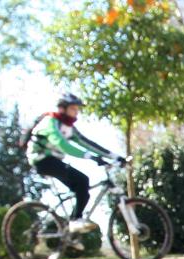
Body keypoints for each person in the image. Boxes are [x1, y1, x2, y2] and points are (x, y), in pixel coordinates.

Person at [26, 93, 121, 241]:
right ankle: (75, 221)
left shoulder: (68, 127)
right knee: (82, 181)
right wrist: (90, 157)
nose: (76, 112)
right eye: (73, 108)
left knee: (82, 189)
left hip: (54, 160)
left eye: (77, 109)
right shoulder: (51, 122)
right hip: (42, 160)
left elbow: (86, 143)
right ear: (63, 108)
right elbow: (62, 145)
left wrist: (114, 156)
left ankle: (71, 236)